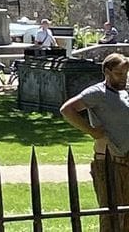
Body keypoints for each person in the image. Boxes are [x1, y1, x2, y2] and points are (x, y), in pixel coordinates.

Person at [62, 52, 129, 232]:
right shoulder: (97, 92)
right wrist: (92, 132)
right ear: (107, 71)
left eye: (126, 73)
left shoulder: (124, 92)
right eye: (119, 73)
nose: (124, 78)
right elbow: (67, 109)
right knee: (112, 217)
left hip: (127, 161)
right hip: (111, 163)